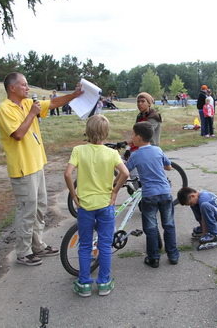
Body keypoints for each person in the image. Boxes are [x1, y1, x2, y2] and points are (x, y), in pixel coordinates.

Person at [0, 72, 83, 266]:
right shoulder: (4, 109)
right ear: (12, 88)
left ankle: (38, 245)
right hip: (22, 168)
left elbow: (53, 103)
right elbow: (18, 134)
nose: (27, 88)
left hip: (36, 164)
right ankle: (23, 252)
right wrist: (32, 114)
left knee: (40, 207)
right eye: (24, 85)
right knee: (27, 210)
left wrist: (74, 95)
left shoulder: (28, 104)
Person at [64, 114, 129, 297]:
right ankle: (104, 283)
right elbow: (125, 173)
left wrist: (73, 194)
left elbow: (68, 174)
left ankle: (84, 283)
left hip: (85, 205)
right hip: (105, 204)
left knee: (85, 245)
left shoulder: (78, 150)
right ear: (106, 133)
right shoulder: (111, 153)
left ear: (87, 131)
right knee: (105, 245)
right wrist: (115, 191)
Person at [126, 122, 179, 268]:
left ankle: (154, 258)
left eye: (133, 134)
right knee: (169, 225)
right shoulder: (158, 150)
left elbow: (125, 171)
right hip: (165, 193)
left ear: (138, 137)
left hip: (149, 195)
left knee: (150, 227)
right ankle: (173, 255)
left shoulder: (135, 155)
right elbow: (168, 167)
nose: (132, 137)